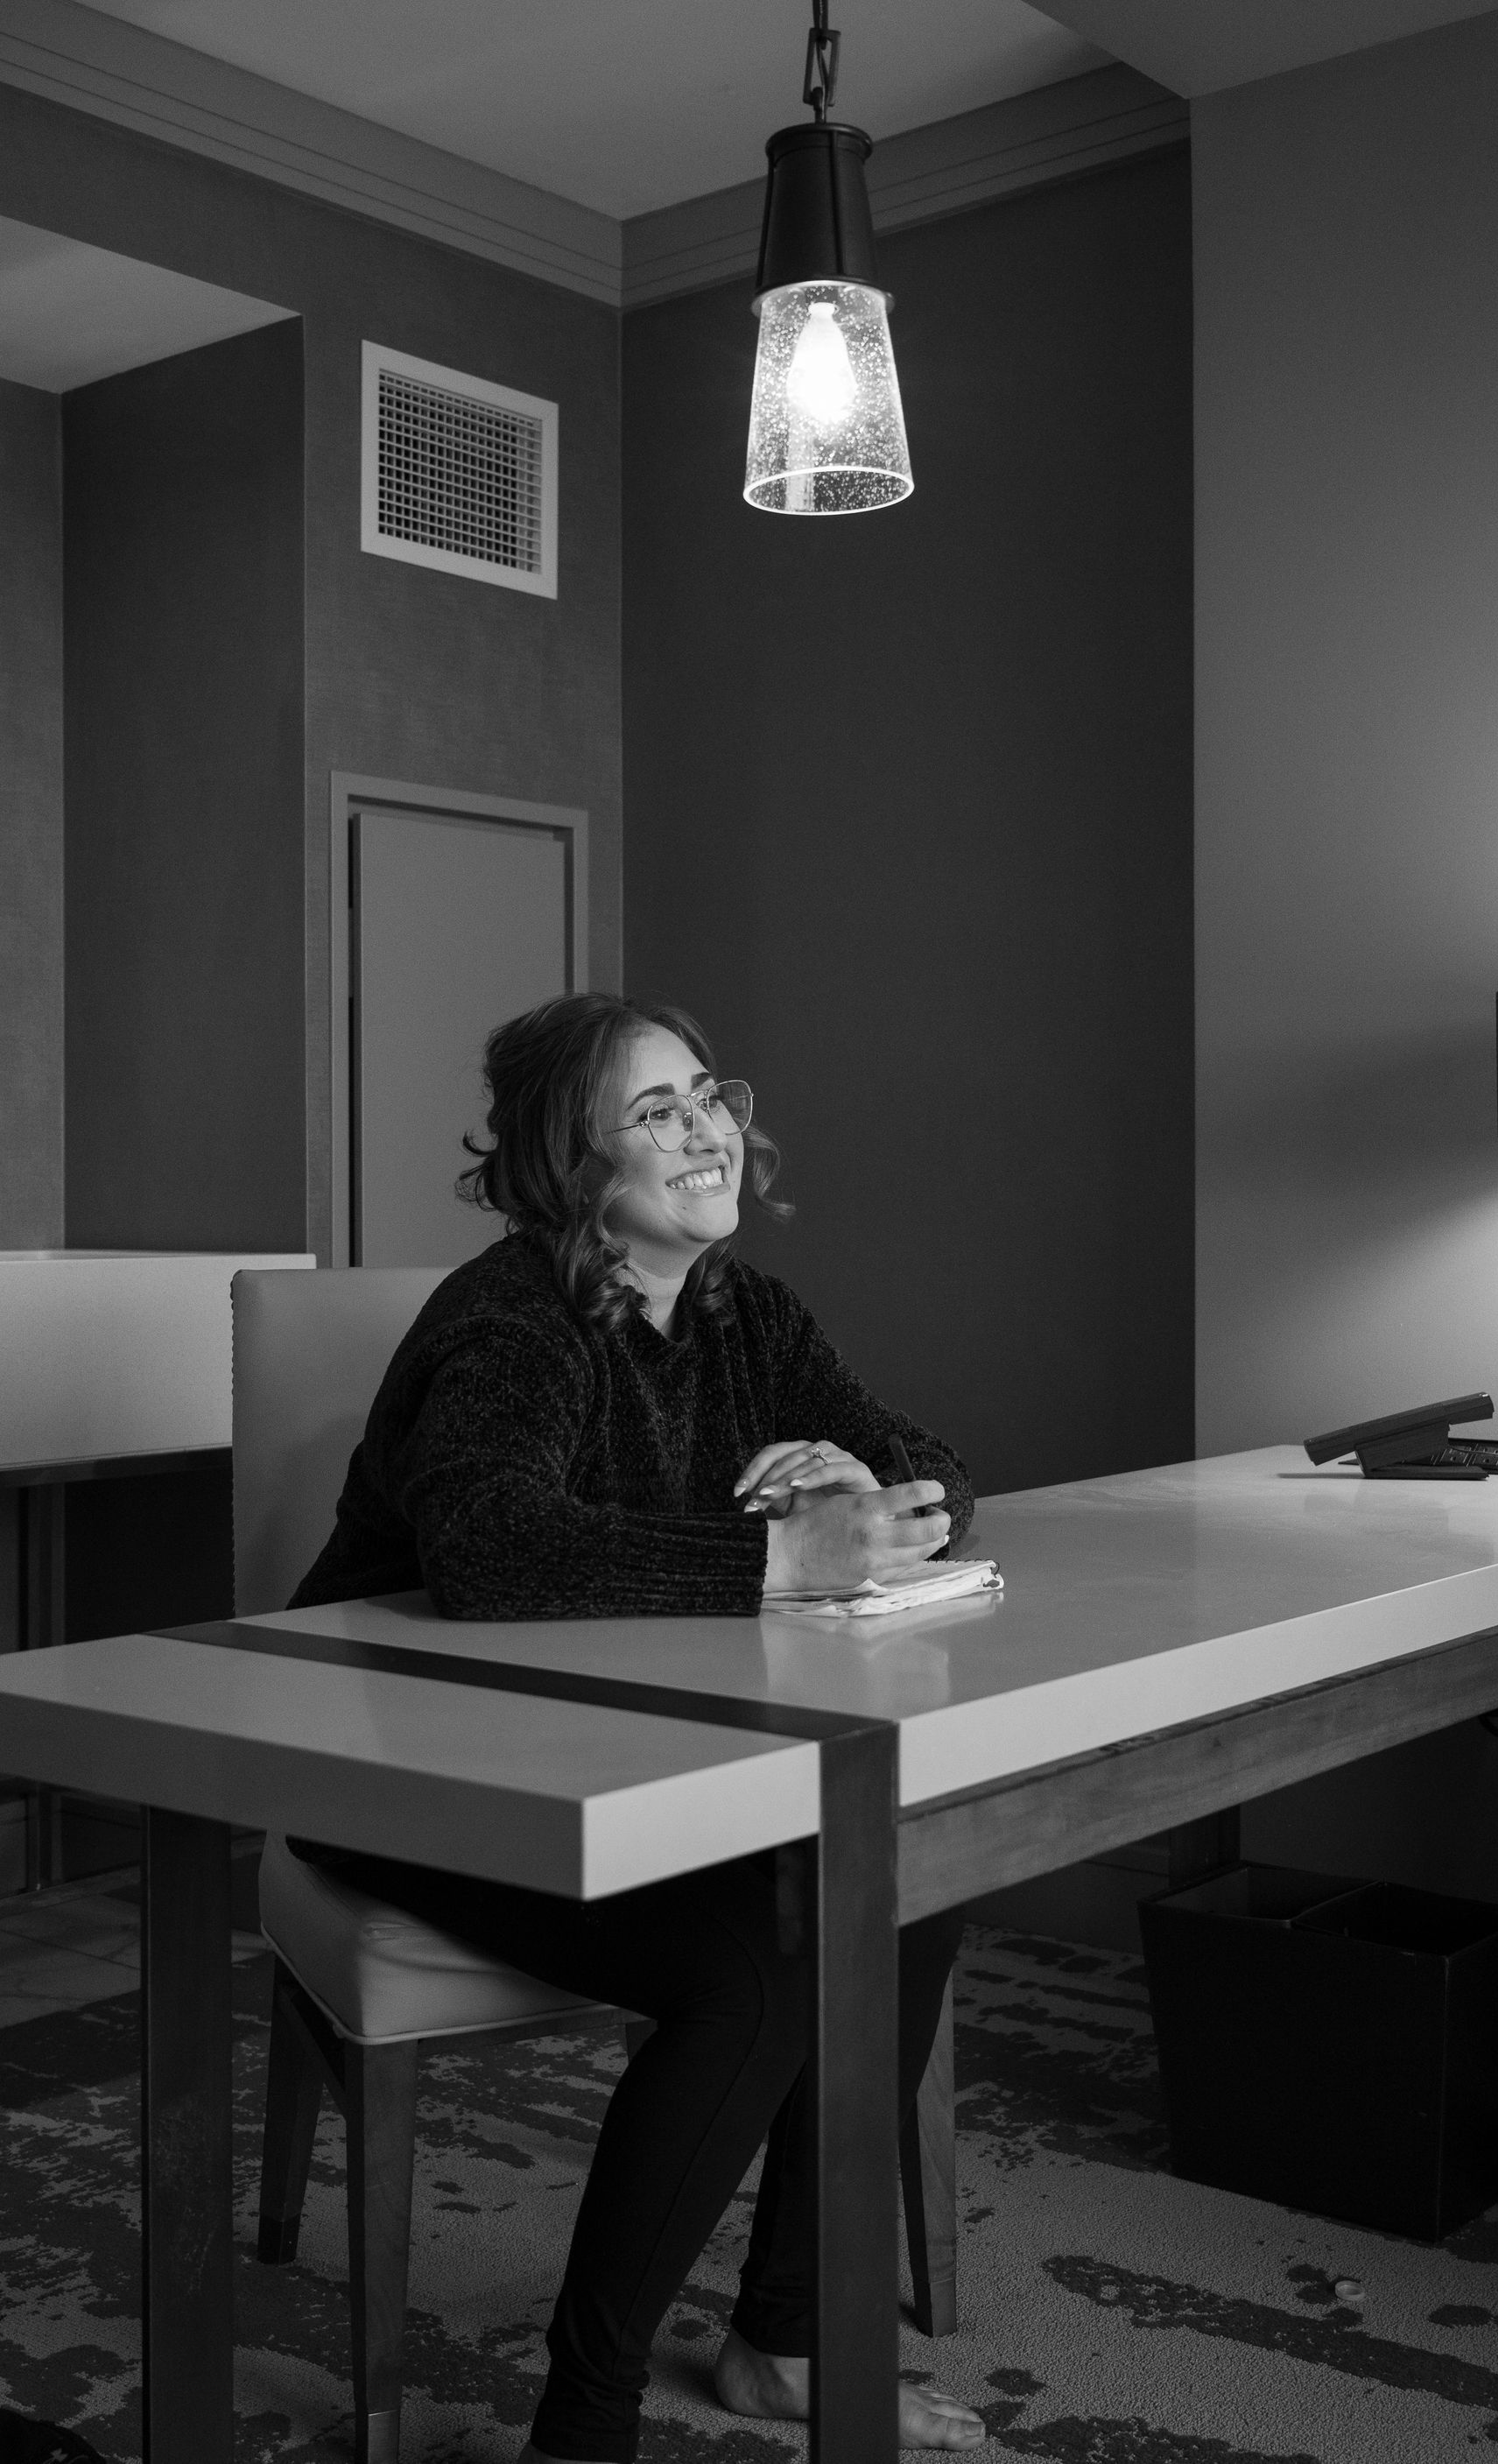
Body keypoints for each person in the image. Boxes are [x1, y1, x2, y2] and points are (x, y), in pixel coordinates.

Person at [290, 989, 987, 2461]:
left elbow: (937, 1471)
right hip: (396, 1760)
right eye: (656, 1110)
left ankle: (782, 2337)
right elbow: (490, 1548)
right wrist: (781, 1557)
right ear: (569, 1159)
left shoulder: (746, 1311)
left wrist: (864, 1481)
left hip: (609, 1744)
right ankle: (582, 2426)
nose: (708, 1129)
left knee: (901, 1885)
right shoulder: (512, 1316)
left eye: (709, 1095)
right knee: (758, 1964)